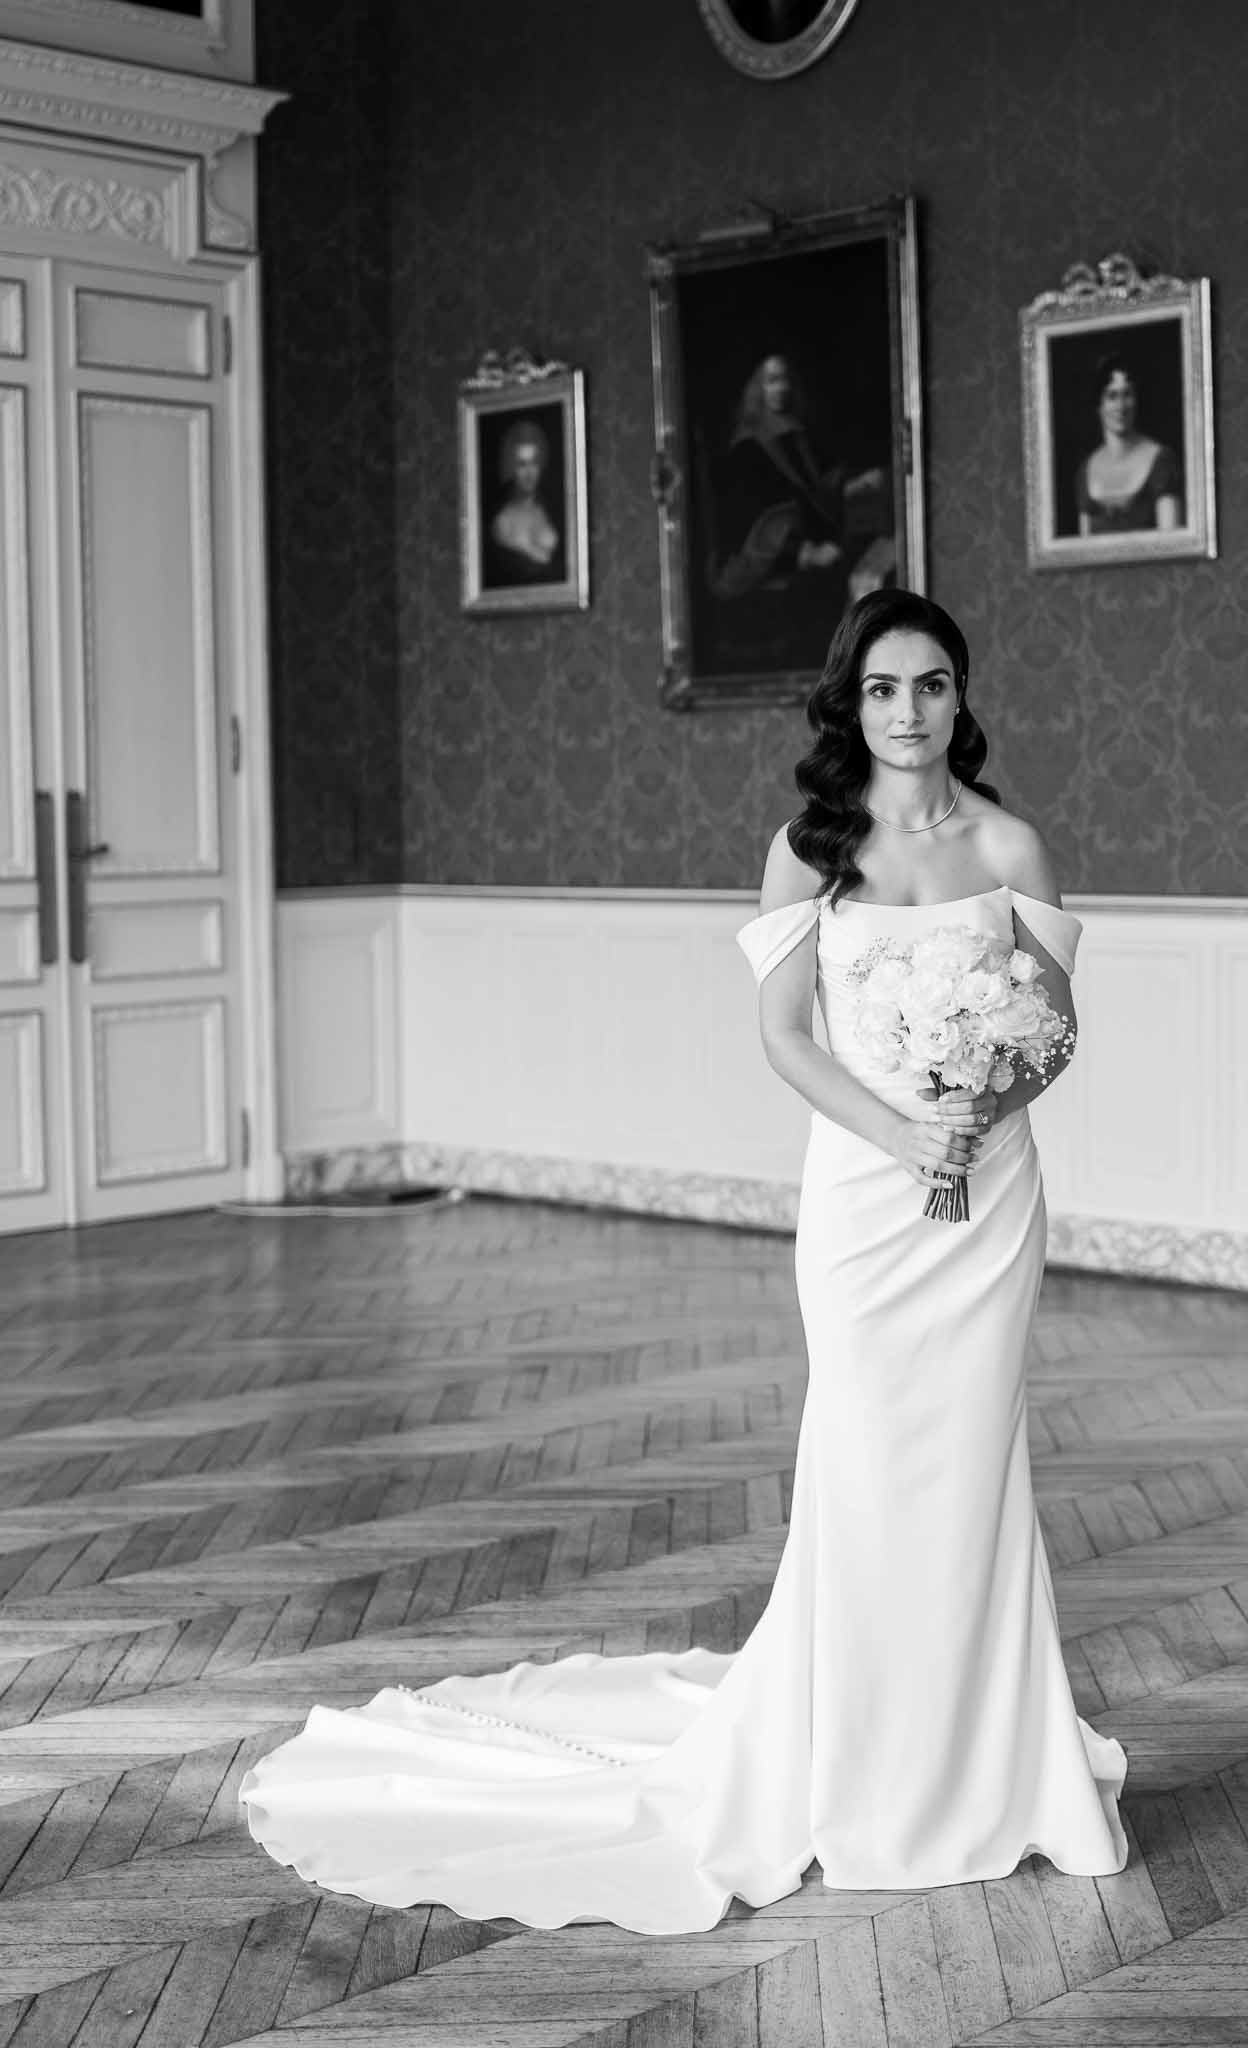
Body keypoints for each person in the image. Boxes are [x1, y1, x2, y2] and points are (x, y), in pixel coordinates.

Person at [239, 588, 1128, 1934]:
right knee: (865, 1457)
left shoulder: (1012, 845)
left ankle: (990, 1767)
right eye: (882, 689)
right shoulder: (807, 850)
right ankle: (854, 1765)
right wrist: (903, 1131)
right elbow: (787, 1039)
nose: (907, 712)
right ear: (851, 703)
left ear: (962, 696)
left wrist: (976, 1117)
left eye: (931, 685)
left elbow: (1053, 1034)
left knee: (973, 1466)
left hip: (988, 1201)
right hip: (864, 1201)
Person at [707, 352, 889, 612]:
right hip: (778, 561)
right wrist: (806, 554)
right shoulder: (746, 449)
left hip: (820, 536)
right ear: (757, 388)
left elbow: (818, 485)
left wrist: (855, 483)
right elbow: (748, 519)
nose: (782, 388)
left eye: (785, 379)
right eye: (772, 380)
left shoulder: (797, 434)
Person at [1073, 352, 1183, 536]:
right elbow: (1084, 551)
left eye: (1128, 394)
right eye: (1112, 396)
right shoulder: (1086, 470)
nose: (1121, 406)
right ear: (1099, 405)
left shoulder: (1161, 461)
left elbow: (1171, 543)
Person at [485, 417, 562, 585]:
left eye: (534, 463)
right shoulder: (503, 520)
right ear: (512, 468)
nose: (529, 472)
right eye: (522, 464)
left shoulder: (551, 511)